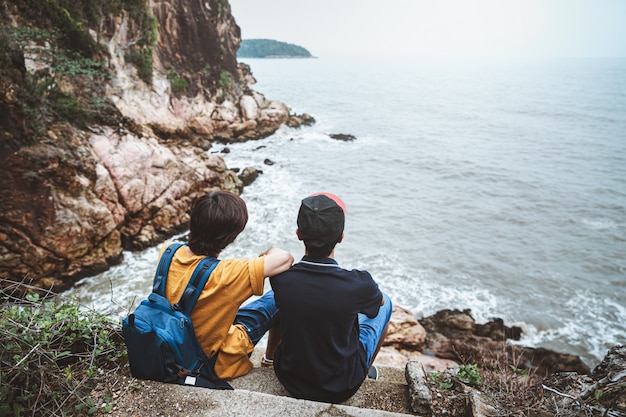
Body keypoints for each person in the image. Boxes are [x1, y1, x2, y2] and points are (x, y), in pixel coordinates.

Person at [267, 192, 392, 403]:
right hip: (343, 386)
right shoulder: (359, 284)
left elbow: (269, 260)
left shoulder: (281, 279)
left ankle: (268, 358)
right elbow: (376, 304)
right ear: (341, 237)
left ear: (298, 234)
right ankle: (365, 371)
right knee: (386, 302)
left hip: (289, 379)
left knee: (283, 303)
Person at [161, 191, 293, 380]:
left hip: (171, 345)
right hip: (209, 362)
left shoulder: (168, 252)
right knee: (276, 298)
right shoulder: (228, 273)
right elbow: (285, 259)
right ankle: (270, 360)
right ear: (231, 238)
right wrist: (269, 252)